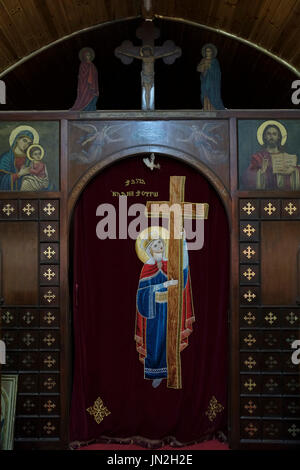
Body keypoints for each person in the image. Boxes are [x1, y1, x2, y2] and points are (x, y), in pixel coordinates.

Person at [135, 227, 194, 388]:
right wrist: (163, 284)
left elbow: (183, 271)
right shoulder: (147, 269)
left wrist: (183, 243)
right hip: (153, 311)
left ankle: (171, 371)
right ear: (148, 250)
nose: (159, 246)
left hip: (170, 308)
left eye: (161, 242)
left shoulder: (170, 264)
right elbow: (142, 293)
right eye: (155, 245)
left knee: (170, 339)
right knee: (155, 341)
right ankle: (156, 373)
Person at [244, 121, 300, 190]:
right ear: (264, 136)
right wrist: (261, 172)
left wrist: (293, 170)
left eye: (274, 134)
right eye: (268, 134)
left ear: (279, 137)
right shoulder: (258, 157)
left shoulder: (286, 156)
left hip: (285, 195)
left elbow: (296, 172)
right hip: (265, 195)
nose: (271, 136)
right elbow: (248, 177)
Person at [197, 43, 225, 110]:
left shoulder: (215, 61)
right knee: (204, 94)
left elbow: (218, 72)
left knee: (212, 95)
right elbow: (198, 69)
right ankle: (206, 107)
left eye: (209, 51)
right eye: (206, 51)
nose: (207, 53)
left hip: (213, 83)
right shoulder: (203, 60)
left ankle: (213, 108)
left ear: (212, 52)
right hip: (205, 80)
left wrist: (210, 67)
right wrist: (203, 66)